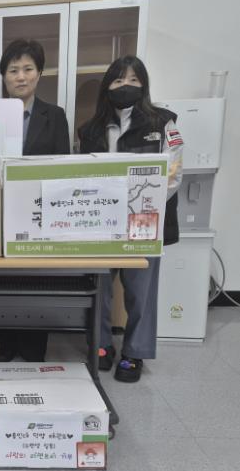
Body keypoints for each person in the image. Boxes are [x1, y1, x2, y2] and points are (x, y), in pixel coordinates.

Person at [78, 55, 183, 382]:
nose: (126, 86)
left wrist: (142, 205)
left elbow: (174, 174)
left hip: (145, 223)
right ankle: (101, 346)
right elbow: (81, 176)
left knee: (141, 292)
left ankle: (134, 352)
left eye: (134, 80)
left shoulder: (163, 123)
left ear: (144, 86)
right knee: (99, 287)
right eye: (118, 80)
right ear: (107, 87)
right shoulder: (90, 130)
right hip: (101, 223)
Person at [0, 39, 71, 363]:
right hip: (0, 211)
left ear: (39, 74)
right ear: (4, 76)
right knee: (2, 282)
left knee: (37, 280)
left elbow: (63, 167)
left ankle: (33, 342)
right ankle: (6, 341)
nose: (21, 76)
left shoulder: (55, 115)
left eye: (28, 69)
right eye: (13, 70)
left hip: (40, 213)